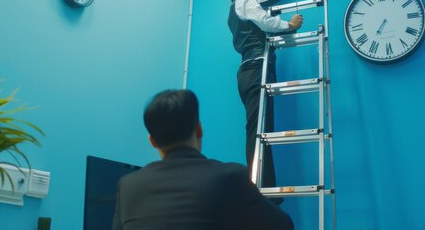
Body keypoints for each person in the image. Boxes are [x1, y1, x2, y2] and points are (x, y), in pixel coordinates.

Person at [112, 89, 294, 230]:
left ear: (152, 141)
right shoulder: (231, 177)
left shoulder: (128, 186)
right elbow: (283, 225)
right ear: (199, 130)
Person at [220, 0, 303, 190]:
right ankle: (257, 190)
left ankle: (265, 187)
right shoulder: (246, 1)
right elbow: (265, 22)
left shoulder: (233, 11)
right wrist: (290, 25)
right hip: (257, 68)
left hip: (248, 70)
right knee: (259, 130)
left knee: (259, 130)